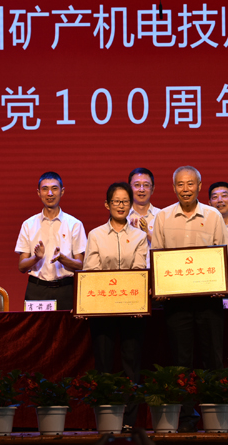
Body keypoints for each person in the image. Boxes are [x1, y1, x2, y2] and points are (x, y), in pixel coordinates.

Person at [151, 165, 228, 432]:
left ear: (199, 186)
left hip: (209, 299)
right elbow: (157, 256)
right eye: (180, 184)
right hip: (176, 301)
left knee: (212, 358)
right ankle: (186, 417)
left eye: (190, 184)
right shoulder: (162, 217)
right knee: (180, 360)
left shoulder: (213, 215)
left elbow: (223, 254)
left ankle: (214, 415)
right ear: (174, 187)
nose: (185, 189)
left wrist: (219, 281)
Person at [81, 182, 148, 428]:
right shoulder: (95, 235)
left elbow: (139, 270)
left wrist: (137, 301)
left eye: (125, 202)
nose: (121, 206)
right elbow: (91, 270)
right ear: (107, 204)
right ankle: (107, 418)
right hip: (102, 309)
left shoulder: (140, 236)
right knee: (103, 364)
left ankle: (129, 420)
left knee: (132, 364)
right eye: (116, 201)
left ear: (131, 205)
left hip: (131, 309)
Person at [15, 172, 87, 310]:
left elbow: (81, 265)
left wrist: (62, 258)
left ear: (62, 191)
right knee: (35, 325)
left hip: (66, 289)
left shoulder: (74, 224)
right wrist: (36, 258)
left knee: (67, 325)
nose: (50, 193)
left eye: (54, 188)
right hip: (36, 289)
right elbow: (21, 266)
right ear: (38, 193)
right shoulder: (28, 224)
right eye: (45, 189)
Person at [127, 168, 160, 245]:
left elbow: (167, 247)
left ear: (152, 189)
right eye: (137, 185)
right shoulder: (123, 217)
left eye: (146, 185)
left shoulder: (161, 215)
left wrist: (147, 233)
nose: (141, 189)